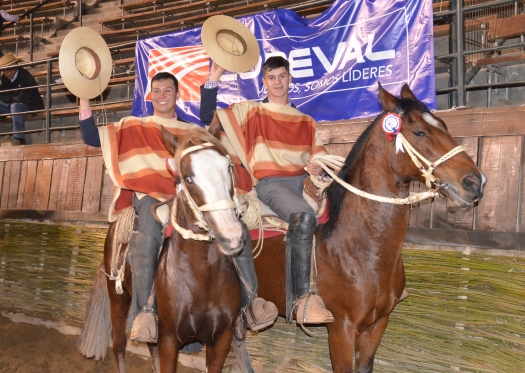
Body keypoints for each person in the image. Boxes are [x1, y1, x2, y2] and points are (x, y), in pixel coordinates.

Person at [78, 72, 277, 344]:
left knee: (236, 227)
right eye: (156, 90)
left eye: (167, 91)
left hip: (188, 198)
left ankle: (250, 304)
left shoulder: (191, 132)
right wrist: (84, 98)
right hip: (151, 197)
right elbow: (91, 137)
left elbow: (214, 137)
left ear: (177, 95)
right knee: (147, 234)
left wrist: (214, 77)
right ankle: (146, 314)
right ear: (149, 95)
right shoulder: (134, 126)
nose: (161, 95)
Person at [200, 57, 334, 326]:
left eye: (282, 76)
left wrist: (319, 165)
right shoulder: (251, 111)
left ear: (290, 79)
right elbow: (208, 118)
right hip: (272, 184)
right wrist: (214, 76)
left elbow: (319, 154)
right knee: (304, 216)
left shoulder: (305, 120)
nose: (277, 82)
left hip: (303, 182)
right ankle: (301, 299)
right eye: (271, 77)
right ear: (264, 82)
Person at [0, 53, 43, 146]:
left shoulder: (26, 76)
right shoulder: (5, 78)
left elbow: (25, 97)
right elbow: (2, 95)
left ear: (13, 68)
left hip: (29, 106)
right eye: (3, 71)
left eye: (6, 71)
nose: (4, 74)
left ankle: (19, 138)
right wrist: (12, 99)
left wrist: (11, 100)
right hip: (11, 105)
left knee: (15, 106)